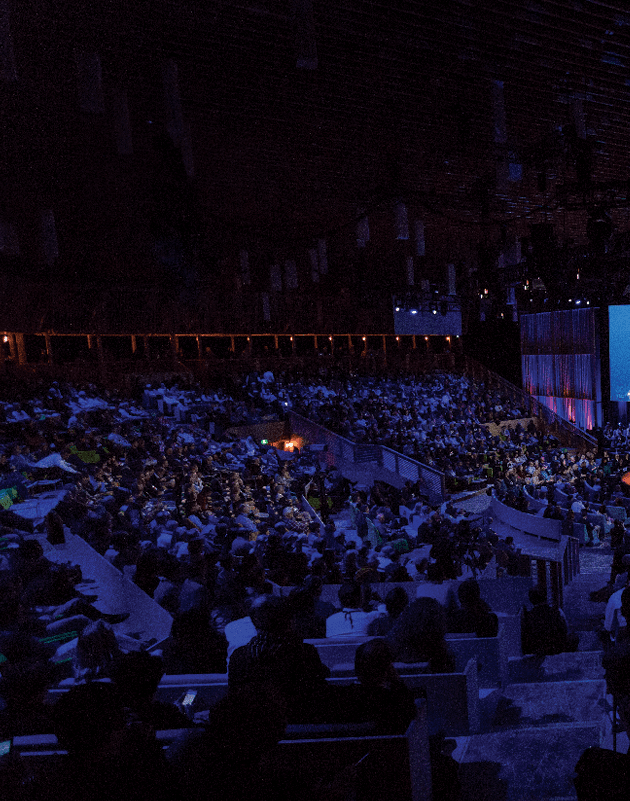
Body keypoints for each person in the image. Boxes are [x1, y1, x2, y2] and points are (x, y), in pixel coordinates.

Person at [521, 586, 579, 657]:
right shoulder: (557, 611)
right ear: (546, 597)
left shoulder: (528, 616)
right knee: (574, 637)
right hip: (558, 647)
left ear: (531, 600)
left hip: (538, 649)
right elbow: (565, 630)